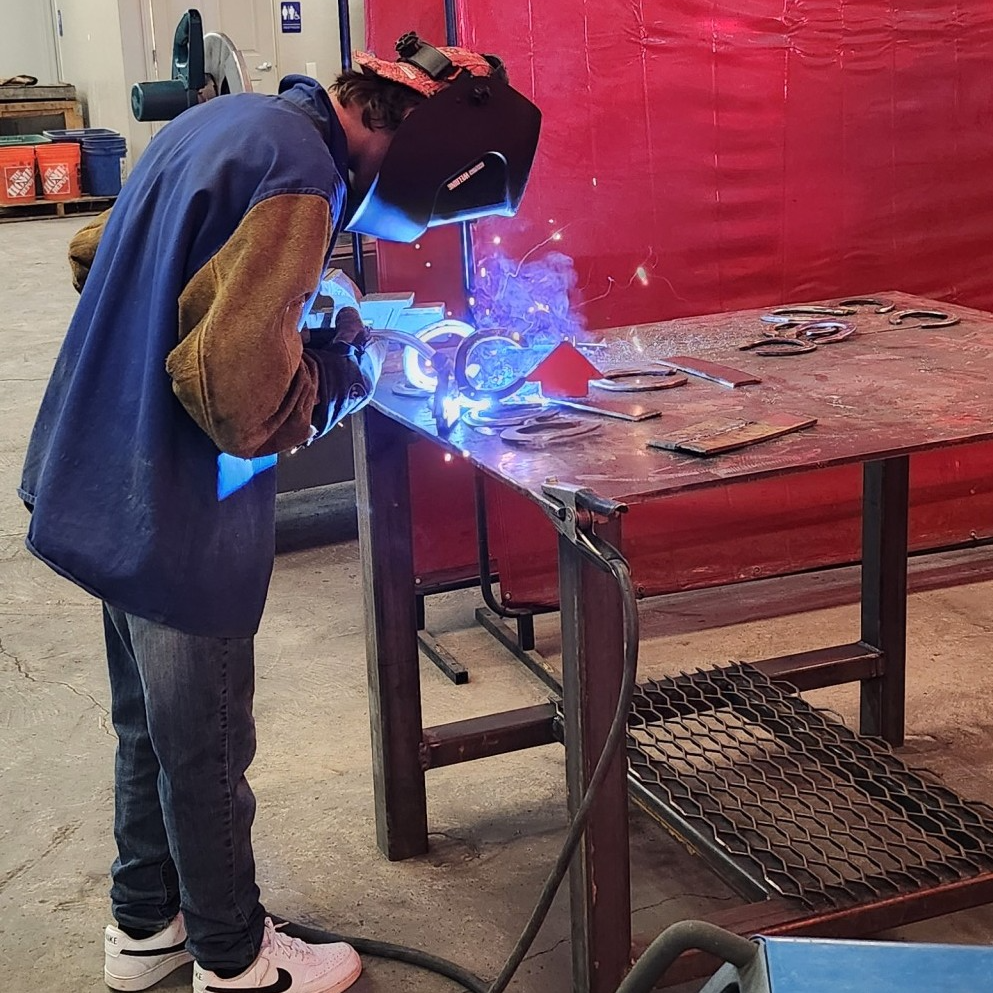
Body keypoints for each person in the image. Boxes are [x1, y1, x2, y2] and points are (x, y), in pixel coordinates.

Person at [19, 37, 522, 993]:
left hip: (98, 474)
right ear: (410, 141)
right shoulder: (302, 173)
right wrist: (346, 367)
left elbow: (95, 254)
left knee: (150, 728)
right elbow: (246, 406)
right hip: (174, 509)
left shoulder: (228, 120)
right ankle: (234, 957)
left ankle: (146, 925)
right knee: (207, 745)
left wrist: (276, 295)